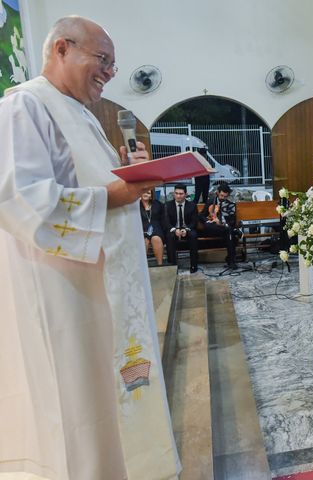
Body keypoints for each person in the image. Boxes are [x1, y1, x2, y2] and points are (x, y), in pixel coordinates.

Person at [0, 16, 180, 480]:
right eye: (103, 60)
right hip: (63, 292)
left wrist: (131, 176)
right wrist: (117, 194)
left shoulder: (80, 114)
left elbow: (94, 187)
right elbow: (22, 200)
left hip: (101, 286)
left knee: (106, 397)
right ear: (62, 48)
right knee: (76, 403)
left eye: (113, 66)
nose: (108, 73)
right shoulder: (24, 108)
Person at [201, 181, 239, 269]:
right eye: (221, 195)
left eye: (225, 196)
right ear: (218, 193)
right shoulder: (211, 201)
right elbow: (201, 215)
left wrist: (223, 223)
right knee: (230, 232)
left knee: (229, 231)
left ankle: (231, 260)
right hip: (213, 228)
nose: (223, 198)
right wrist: (208, 220)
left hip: (224, 228)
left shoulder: (230, 204)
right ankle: (231, 260)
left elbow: (232, 221)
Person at [164, 184, 199, 273]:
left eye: (181, 194)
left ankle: (194, 265)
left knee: (193, 235)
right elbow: (166, 221)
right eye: (176, 193)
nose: (178, 196)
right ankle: (173, 266)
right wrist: (174, 230)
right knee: (169, 236)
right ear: (174, 194)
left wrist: (186, 229)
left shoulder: (192, 205)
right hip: (174, 229)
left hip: (187, 228)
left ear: (186, 194)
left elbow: (194, 222)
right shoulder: (167, 205)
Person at [140, 188, 165, 265]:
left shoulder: (157, 204)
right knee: (144, 240)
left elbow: (163, 219)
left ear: (151, 196)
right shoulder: (136, 205)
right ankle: (142, 266)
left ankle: (160, 264)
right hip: (142, 229)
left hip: (156, 228)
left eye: (148, 193)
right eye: (144, 192)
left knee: (156, 238)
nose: (146, 194)